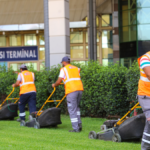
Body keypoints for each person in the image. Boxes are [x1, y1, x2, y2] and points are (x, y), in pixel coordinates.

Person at [52, 56, 84, 132]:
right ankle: (79, 124)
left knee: (72, 109)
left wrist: (54, 85)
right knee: (76, 108)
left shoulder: (64, 69)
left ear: (64, 62)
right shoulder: (76, 68)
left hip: (71, 90)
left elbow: (59, 81)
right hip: (80, 89)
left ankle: (76, 128)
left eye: (62, 63)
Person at [137, 51, 150, 150]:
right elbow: (149, 74)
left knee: (148, 125)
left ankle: (145, 148)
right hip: (145, 95)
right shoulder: (145, 58)